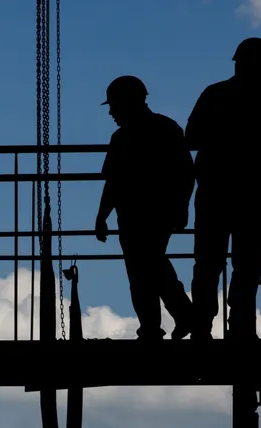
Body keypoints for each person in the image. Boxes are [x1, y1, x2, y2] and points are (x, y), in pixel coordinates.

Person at [185, 37, 261, 340]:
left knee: (208, 264)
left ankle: (202, 327)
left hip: (215, 194)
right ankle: (240, 326)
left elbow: (191, 138)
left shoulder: (214, 94)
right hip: (251, 195)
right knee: (248, 264)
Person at [94, 75, 196, 340]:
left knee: (144, 270)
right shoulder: (164, 129)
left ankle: (160, 324)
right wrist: (102, 216)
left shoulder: (126, 137)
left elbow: (185, 173)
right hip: (147, 214)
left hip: (141, 214)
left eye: (114, 105)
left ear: (127, 103)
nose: (111, 112)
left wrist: (102, 216)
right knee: (150, 266)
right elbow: (186, 173)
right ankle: (175, 319)